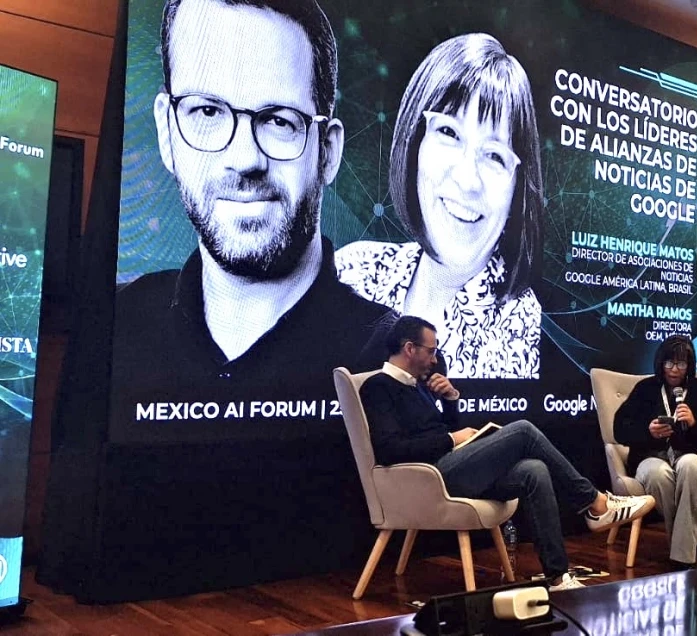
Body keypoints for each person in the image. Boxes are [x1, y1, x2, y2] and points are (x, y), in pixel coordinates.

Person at [111, 0, 393, 430]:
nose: (244, 159)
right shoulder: (113, 326)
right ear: (167, 132)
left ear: (329, 153)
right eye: (207, 111)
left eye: (279, 120)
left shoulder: (388, 351)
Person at [359, 316, 654, 591]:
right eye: (430, 351)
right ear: (409, 348)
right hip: (427, 478)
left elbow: (439, 430)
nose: (436, 359)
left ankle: (557, 575)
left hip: (449, 467)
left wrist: (450, 400)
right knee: (523, 430)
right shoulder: (377, 387)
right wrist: (451, 439)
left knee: (534, 470)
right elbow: (390, 449)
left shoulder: (420, 386)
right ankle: (594, 503)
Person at [337, 33, 542, 380]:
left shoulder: (521, 322)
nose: (467, 179)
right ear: (414, 141)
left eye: (494, 155)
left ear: (516, 190)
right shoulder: (354, 271)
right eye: (448, 132)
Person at [613, 335, 697, 568]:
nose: (674, 370)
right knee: (659, 474)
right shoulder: (645, 389)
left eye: (681, 364)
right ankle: (693, 542)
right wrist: (648, 431)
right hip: (650, 456)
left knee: (692, 466)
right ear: (660, 363)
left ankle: (681, 558)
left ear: (689, 365)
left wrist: (696, 423)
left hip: (688, 454)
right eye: (669, 363)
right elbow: (619, 430)